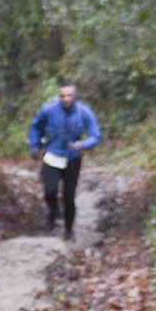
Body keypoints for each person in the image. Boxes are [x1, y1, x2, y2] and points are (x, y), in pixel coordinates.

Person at [27, 81, 102, 238]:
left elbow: (95, 135)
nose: (66, 99)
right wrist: (34, 146)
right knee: (50, 190)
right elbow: (35, 126)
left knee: (69, 195)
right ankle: (53, 212)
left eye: (69, 95)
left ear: (75, 95)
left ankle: (69, 228)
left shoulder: (83, 111)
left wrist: (82, 144)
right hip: (52, 155)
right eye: (63, 96)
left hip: (72, 157)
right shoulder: (49, 110)